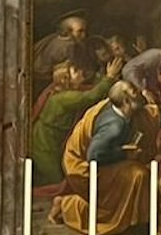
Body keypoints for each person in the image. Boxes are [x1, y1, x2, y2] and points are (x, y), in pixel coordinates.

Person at [49, 81, 161, 235]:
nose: (140, 92)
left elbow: (156, 115)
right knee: (139, 175)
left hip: (101, 160)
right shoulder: (114, 126)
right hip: (82, 167)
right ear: (126, 101)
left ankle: (65, 204)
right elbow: (94, 155)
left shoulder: (128, 111)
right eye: (134, 91)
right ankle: (158, 225)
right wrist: (124, 154)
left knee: (129, 185)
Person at [32, 59, 123, 188]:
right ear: (66, 79)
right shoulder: (64, 98)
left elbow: (92, 90)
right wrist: (109, 77)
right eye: (75, 71)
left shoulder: (64, 92)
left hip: (50, 141)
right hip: (43, 145)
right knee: (57, 182)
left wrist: (108, 79)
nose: (80, 72)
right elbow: (90, 96)